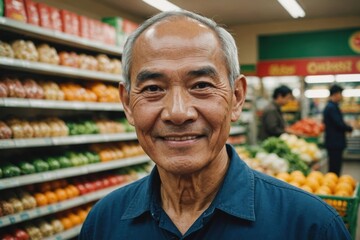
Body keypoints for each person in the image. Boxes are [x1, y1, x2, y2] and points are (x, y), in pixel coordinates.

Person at [79, 10, 350, 239]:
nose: (178, 113)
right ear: (127, 102)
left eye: (201, 85)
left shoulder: (310, 227)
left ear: (236, 98)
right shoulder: (103, 223)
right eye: (152, 88)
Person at [323, 84, 353, 176]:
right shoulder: (331, 107)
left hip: (333, 141)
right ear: (336, 94)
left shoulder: (331, 106)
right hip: (335, 142)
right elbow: (339, 124)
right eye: (341, 94)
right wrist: (349, 128)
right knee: (334, 167)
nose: (341, 96)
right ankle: (332, 185)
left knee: (334, 165)